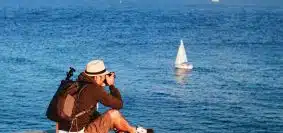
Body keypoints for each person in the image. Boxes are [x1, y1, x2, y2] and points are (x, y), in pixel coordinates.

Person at [58, 59, 153, 133]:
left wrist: (101, 85)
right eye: (103, 76)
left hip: (64, 130)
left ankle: (123, 130)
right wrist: (111, 85)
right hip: (77, 131)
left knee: (95, 114)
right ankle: (133, 131)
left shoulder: (76, 84)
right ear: (97, 77)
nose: (104, 78)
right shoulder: (94, 89)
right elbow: (119, 104)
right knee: (113, 114)